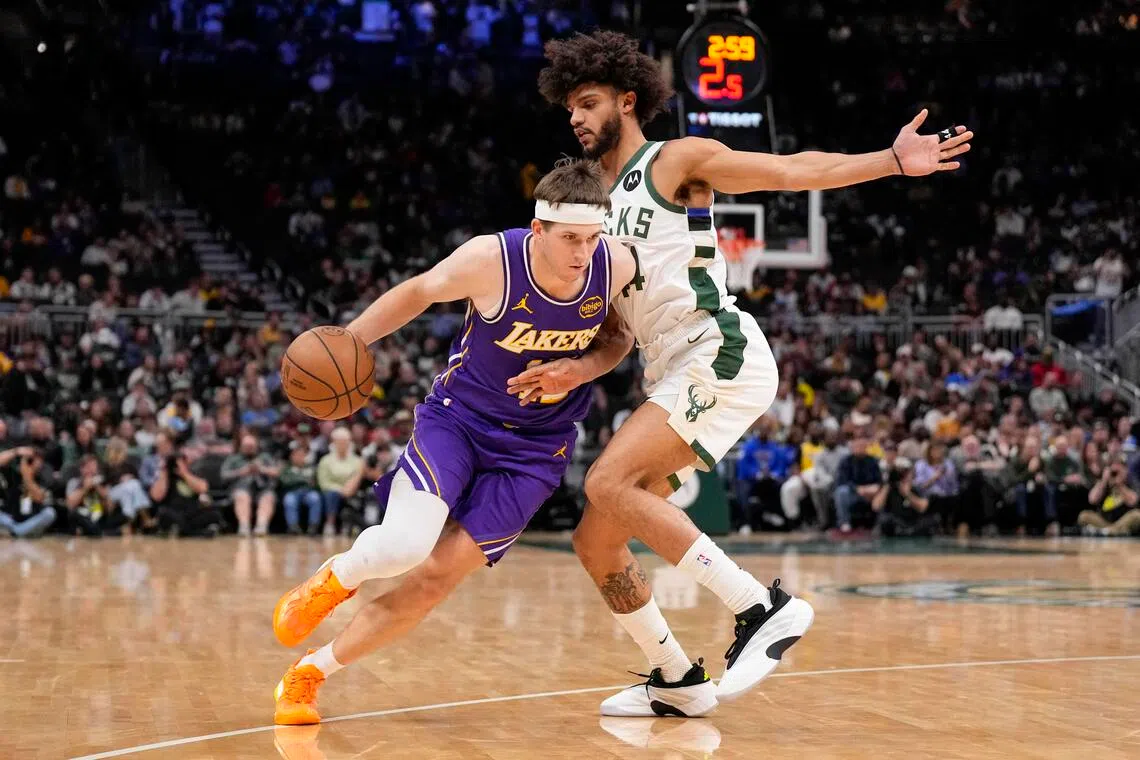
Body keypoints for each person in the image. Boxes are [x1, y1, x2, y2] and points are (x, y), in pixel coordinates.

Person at [532, 29, 972, 713]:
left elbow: (794, 170)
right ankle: (678, 680)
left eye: (586, 103)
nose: (575, 118)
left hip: (719, 350)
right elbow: (619, 335)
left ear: (626, 99)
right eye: (568, 110)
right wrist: (576, 371)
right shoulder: (591, 214)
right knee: (595, 540)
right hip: (667, 367)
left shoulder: (677, 160)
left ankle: (761, 607)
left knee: (607, 478)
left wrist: (890, 160)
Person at [270, 160, 637, 724]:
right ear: (537, 230)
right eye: (569, 239)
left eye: (592, 239)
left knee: (435, 579)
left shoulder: (613, 264)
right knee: (405, 546)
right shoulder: (491, 261)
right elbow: (419, 292)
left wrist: (581, 370)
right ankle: (335, 579)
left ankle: (308, 675)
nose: (581, 253)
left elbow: (618, 339)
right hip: (459, 421)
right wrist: (348, 342)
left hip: (537, 449)